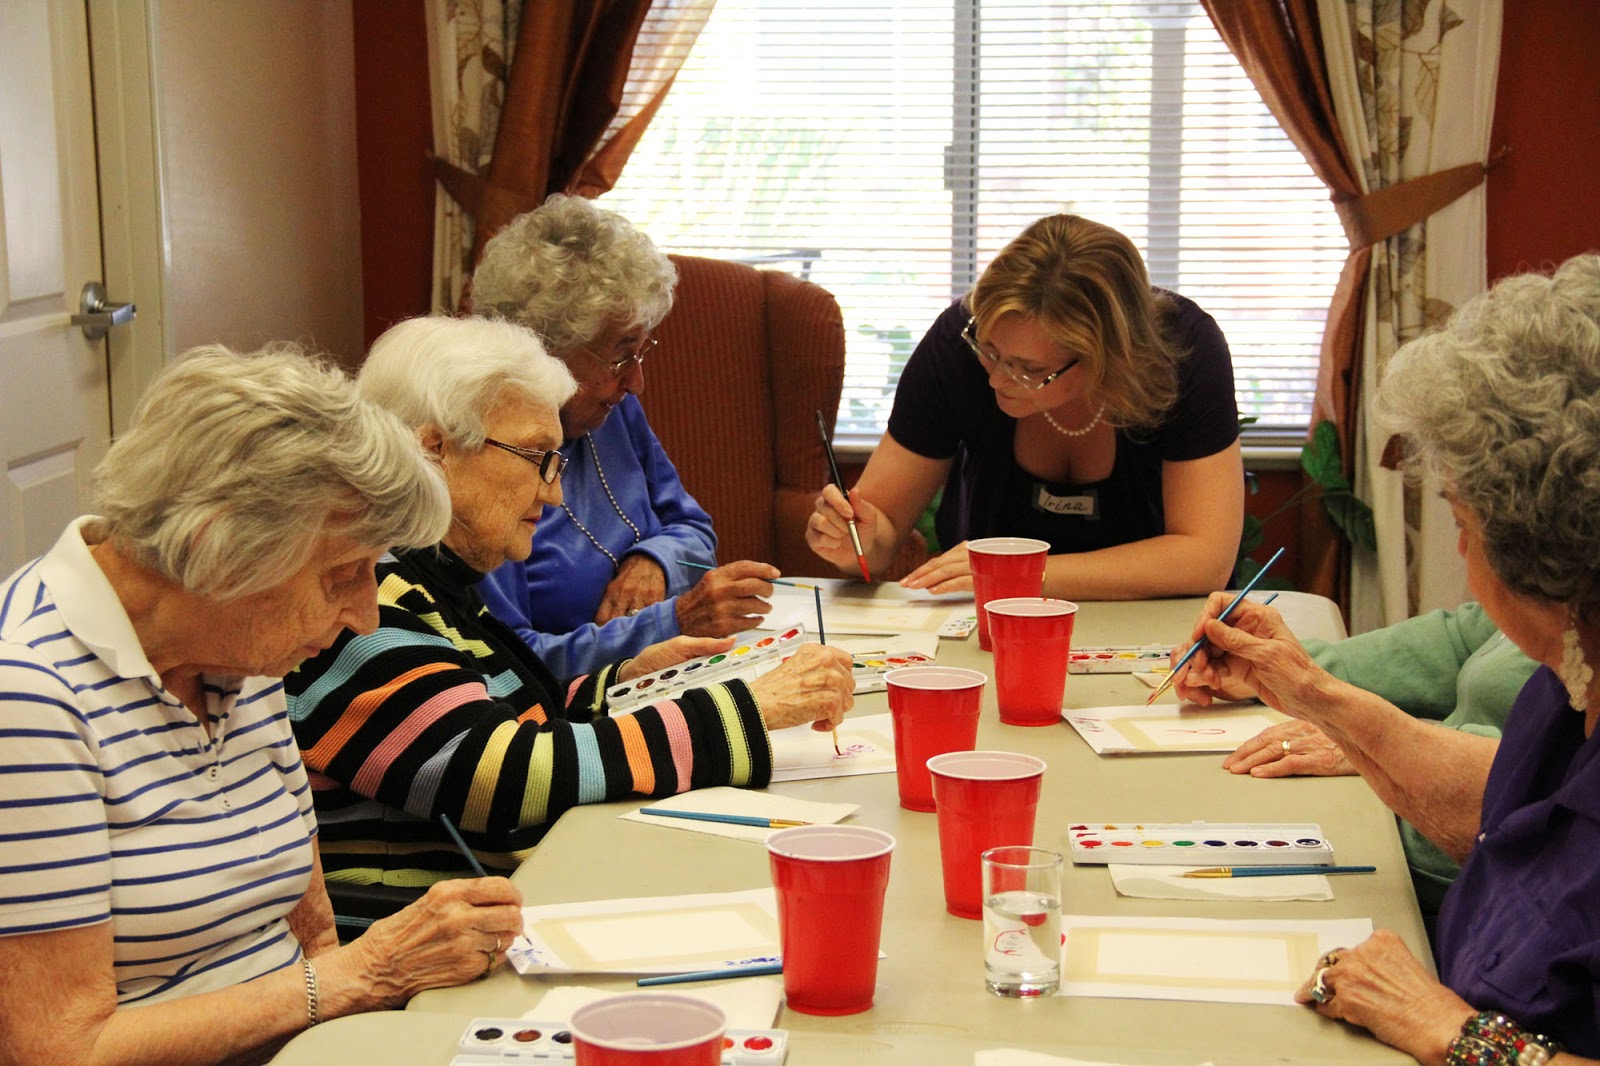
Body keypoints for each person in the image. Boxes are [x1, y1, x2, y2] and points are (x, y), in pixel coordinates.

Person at [0, 346, 524, 1066]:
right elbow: (60, 1050)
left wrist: (348, 1015)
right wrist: (360, 977)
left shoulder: (233, 647)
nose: (365, 616)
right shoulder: (28, 694)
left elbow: (308, 925)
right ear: (220, 549)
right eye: (343, 574)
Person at [1173, 254, 1600, 1062]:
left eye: (1462, 523)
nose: (1463, 550)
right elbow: (1515, 823)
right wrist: (1311, 693)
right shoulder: (1567, 683)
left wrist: (1455, 1033)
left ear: (1534, 546)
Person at [286, 316, 853, 896]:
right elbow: (498, 775)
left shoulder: (437, 583)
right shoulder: (363, 603)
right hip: (425, 961)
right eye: (537, 457)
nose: (555, 491)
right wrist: (746, 709)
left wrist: (626, 684)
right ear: (436, 450)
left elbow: (507, 715)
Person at [806, 214, 1244, 599]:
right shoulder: (958, 343)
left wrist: (1017, 573)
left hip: (1147, 622)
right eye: (990, 350)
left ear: (1108, 359)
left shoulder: (1183, 352)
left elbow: (1204, 558)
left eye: (1029, 369)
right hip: (989, 620)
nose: (996, 378)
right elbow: (880, 533)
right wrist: (855, 541)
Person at [470, 194, 781, 677]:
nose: (636, 382)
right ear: (544, 349)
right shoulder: (482, 460)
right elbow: (511, 666)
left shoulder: (611, 414)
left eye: (641, 350)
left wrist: (654, 561)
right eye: (620, 355)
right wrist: (670, 621)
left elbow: (697, 533)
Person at [1190, 602, 1538, 916]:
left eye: (1464, 528)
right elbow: (1456, 639)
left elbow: (1538, 779)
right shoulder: (1550, 593)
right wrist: (1277, 667)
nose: (1462, 547)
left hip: (1476, 894)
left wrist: (1362, 731)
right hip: (1412, 839)